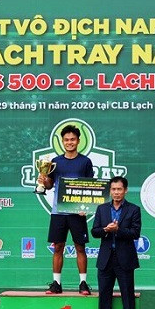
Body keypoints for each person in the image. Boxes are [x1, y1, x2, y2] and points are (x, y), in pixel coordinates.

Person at [37, 124, 94, 295]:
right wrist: (44, 179)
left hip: (77, 211)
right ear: (62, 141)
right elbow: (49, 185)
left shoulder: (85, 162)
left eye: (73, 139)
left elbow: (90, 186)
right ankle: (56, 283)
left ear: (78, 141)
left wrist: (86, 207)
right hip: (58, 212)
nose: (70, 142)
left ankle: (83, 283)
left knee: (80, 248)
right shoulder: (55, 161)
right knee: (58, 248)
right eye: (66, 140)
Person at [89, 176, 142, 309]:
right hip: (105, 259)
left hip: (125, 259)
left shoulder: (134, 209)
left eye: (119, 189)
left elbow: (135, 233)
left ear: (125, 190)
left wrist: (118, 230)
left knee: (127, 296)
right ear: (110, 191)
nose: (116, 192)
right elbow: (94, 231)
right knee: (104, 296)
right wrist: (106, 229)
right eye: (113, 189)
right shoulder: (102, 209)